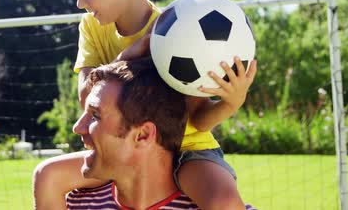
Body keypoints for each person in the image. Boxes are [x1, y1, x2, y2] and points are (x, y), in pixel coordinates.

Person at [33, 0, 257, 210]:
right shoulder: (91, 27)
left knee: (223, 202)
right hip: (122, 149)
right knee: (47, 175)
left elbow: (198, 121)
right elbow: (87, 97)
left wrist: (232, 102)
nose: (79, 3)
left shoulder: (176, 33)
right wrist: (133, 53)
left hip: (187, 150)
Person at [65, 58, 255, 210]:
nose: (78, 127)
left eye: (95, 115)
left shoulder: (224, 205)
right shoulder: (74, 204)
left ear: (143, 135)